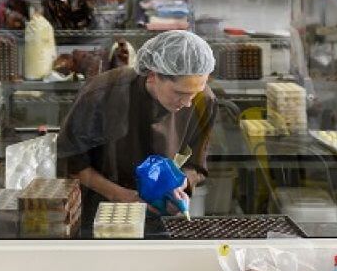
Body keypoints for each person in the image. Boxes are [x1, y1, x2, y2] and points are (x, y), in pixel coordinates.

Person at [57, 30, 218, 225]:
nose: (187, 103)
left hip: (161, 214)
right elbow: (72, 162)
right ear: (152, 75)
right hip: (102, 214)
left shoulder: (204, 100)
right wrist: (123, 197)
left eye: (195, 93)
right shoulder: (102, 95)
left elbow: (197, 163)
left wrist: (181, 183)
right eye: (179, 93)